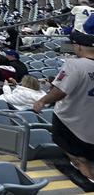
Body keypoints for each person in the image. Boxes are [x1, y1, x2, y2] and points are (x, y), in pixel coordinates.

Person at [32, 16, 94, 183]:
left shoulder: (75, 65)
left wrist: (42, 101)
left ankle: (87, 177)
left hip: (71, 120)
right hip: (91, 123)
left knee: (77, 155)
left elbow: (60, 90)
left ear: (79, 46)